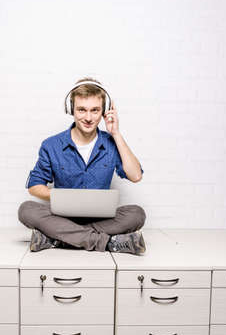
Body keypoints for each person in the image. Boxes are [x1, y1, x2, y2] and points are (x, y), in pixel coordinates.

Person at [18, 78, 146, 254]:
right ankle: (107, 243)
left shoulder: (111, 143)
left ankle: (58, 239)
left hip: (99, 219)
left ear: (104, 112)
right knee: (26, 210)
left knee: (136, 214)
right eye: (81, 110)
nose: (88, 118)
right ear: (71, 110)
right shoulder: (51, 145)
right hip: (61, 217)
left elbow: (136, 175)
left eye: (95, 110)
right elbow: (34, 186)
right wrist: (62, 197)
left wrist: (116, 133)